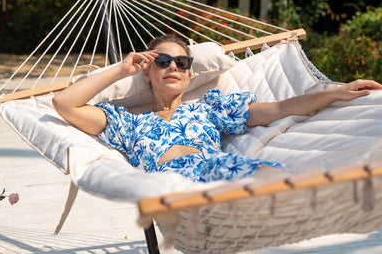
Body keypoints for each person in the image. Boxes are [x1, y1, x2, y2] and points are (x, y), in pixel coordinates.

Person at [53, 35, 382, 183]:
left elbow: (281, 107)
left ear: (189, 73)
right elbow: (63, 103)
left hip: (219, 172)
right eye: (162, 61)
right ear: (147, 72)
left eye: (181, 62)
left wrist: (338, 93)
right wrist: (121, 71)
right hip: (169, 188)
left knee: (285, 178)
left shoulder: (209, 108)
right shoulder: (127, 123)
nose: (172, 67)